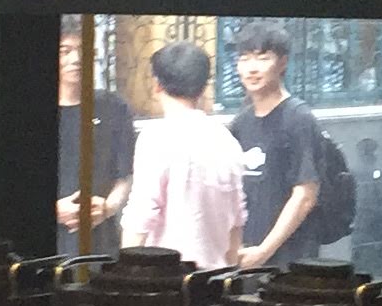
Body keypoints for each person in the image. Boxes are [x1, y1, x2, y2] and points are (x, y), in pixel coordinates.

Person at [95, 38, 245, 266]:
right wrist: (231, 272)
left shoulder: (157, 137)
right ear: (203, 88)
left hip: (166, 276)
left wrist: (127, 270)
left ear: (157, 85)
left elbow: (141, 215)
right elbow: (236, 220)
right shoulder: (227, 141)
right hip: (216, 274)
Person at [230, 33, 344, 270]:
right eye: (244, 59)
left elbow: (305, 195)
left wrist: (264, 251)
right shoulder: (242, 122)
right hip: (247, 255)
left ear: (283, 63)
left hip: (289, 260)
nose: (252, 68)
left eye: (263, 58)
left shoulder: (298, 118)